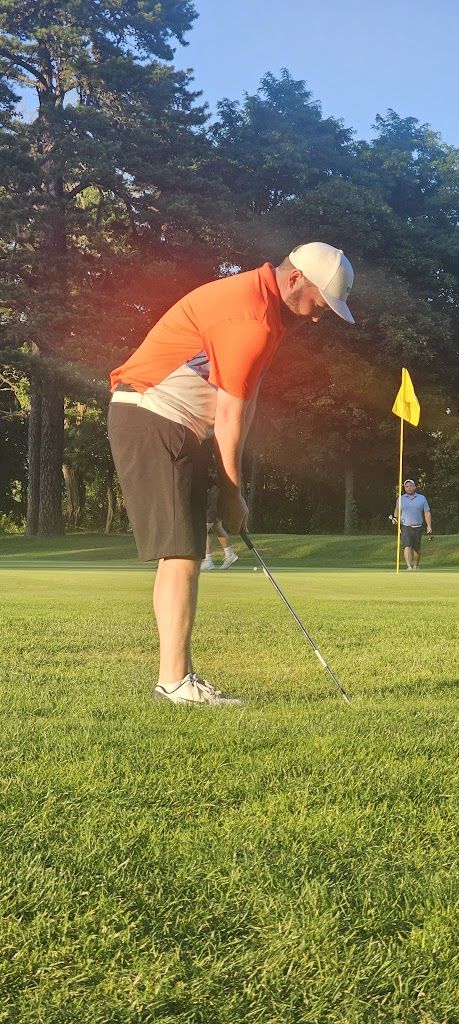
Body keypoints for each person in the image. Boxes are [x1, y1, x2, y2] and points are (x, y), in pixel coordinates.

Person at [107, 242, 355, 705]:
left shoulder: (267, 311)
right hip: (153, 413)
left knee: (178, 552)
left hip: (171, 422)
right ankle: (176, 682)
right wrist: (231, 495)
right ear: (296, 279)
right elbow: (230, 415)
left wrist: (228, 492)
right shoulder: (252, 317)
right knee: (181, 552)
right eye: (319, 304)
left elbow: (248, 397)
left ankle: (174, 679)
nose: (318, 317)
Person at [393, 479, 432, 570]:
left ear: (414, 487)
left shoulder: (422, 498)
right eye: (407, 486)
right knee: (407, 545)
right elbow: (397, 511)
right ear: (405, 488)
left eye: (410, 486)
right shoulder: (401, 499)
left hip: (418, 526)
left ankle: (416, 565)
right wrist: (395, 520)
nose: (409, 488)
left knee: (417, 548)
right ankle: (409, 567)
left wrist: (429, 525)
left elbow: (427, 512)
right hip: (405, 525)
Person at [200, 478, 238, 571]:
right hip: (215, 492)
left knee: (201, 531)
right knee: (217, 528)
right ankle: (229, 554)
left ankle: (208, 560)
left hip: (212, 494)